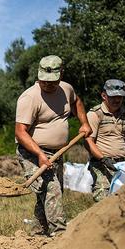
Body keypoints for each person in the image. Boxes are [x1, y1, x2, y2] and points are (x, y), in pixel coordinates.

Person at [14, 55, 92, 237]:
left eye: (52, 81)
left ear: (61, 75)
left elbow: (77, 102)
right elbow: (20, 132)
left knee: (48, 195)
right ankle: (61, 236)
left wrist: (84, 122)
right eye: (44, 81)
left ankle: (37, 236)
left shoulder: (66, 89)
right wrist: (40, 154)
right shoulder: (29, 97)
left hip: (58, 152)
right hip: (32, 152)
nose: (47, 84)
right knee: (51, 191)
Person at [84, 79, 125, 201]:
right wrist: (103, 158)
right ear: (104, 96)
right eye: (113, 96)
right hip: (101, 163)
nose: (117, 100)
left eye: (120, 97)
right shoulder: (95, 114)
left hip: (122, 164)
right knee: (103, 197)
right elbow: (88, 142)